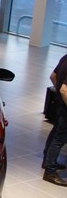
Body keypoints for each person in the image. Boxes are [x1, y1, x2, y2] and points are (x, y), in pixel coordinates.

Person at [43, 53, 67, 185]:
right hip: (65, 107)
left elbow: (53, 76)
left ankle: (47, 160)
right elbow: (64, 90)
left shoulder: (65, 57)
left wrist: (58, 94)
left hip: (59, 104)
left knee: (56, 132)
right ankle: (50, 171)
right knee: (60, 138)